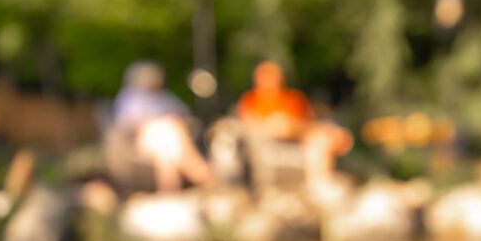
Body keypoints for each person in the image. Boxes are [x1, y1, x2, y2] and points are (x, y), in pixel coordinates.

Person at [236, 60, 353, 190]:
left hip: (300, 135)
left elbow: (309, 121)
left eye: (273, 75)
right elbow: (247, 125)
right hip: (272, 137)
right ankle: (319, 184)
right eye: (265, 75)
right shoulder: (250, 100)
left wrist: (291, 125)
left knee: (321, 141)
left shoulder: (294, 98)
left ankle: (320, 184)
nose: (270, 80)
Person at [109, 61, 211, 193]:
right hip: (145, 139)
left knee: (167, 149)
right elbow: (127, 123)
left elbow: (184, 114)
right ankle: (202, 174)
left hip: (170, 138)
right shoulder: (130, 97)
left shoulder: (163, 96)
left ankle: (171, 190)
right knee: (168, 138)